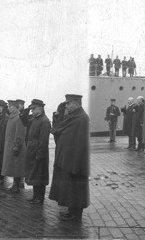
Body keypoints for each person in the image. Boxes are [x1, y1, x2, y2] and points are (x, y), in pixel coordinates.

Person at [49, 94, 90, 222]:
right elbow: (59, 132)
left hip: (75, 161)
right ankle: (71, 210)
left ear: (77, 104)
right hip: (68, 159)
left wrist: (76, 163)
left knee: (76, 187)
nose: (66, 106)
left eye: (68, 103)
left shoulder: (81, 118)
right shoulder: (75, 117)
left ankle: (76, 214)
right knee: (71, 187)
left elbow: (81, 143)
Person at [24, 99, 51, 204]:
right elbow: (25, 121)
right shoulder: (35, 119)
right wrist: (26, 111)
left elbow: (43, 141)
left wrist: (40, 154)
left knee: (40, 176)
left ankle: (40, 197)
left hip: (39, 153)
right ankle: (35, 195)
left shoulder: (44, 121)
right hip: (32, 151)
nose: (32, 111)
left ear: (40, 109)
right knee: (34, 174)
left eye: (33, 109)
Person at [2, 100, 27, 192]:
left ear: (16, 108)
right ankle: (14, 185)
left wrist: (17, 146)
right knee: (13, 166)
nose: (9, 108)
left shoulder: (18, 118)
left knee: (17, 167)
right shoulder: (11, 118)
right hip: (10, 145)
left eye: (11, 107)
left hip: (16, 146)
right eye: (8, 107)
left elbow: (20, 134)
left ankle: (16, 186)